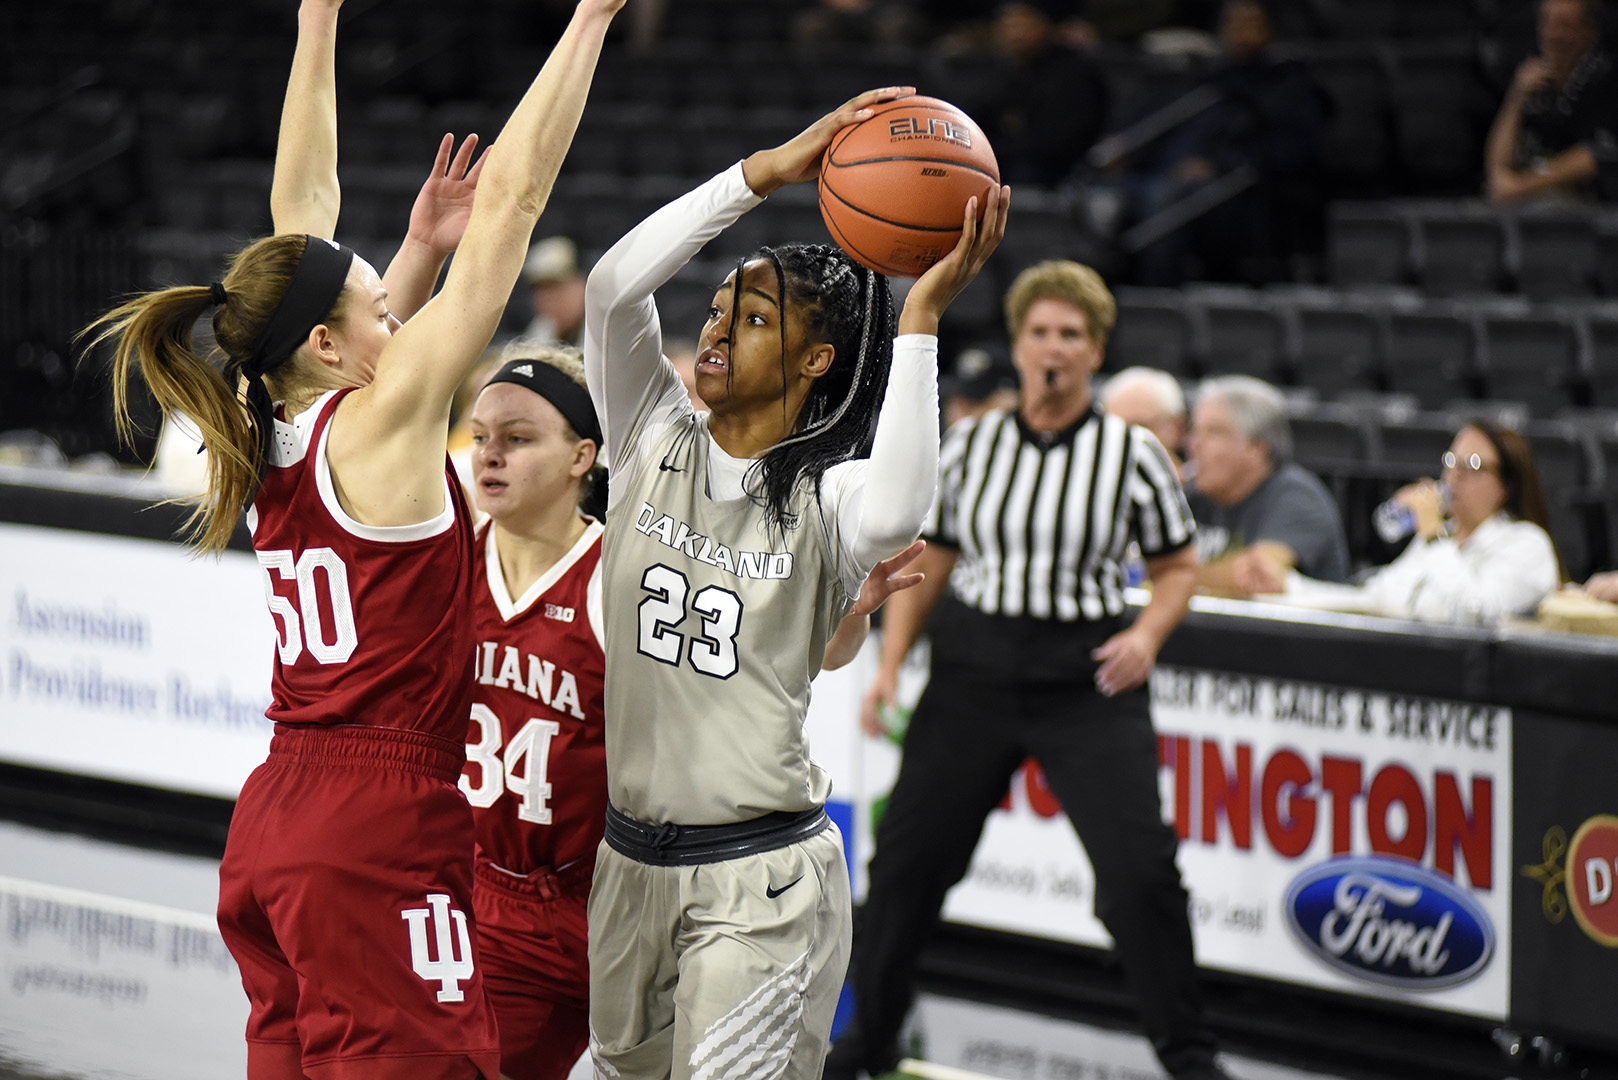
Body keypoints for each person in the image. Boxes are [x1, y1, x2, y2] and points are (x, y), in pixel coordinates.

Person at [81, 0, 624, 1075]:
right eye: (384, 306)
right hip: (379, 819)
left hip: (278, 815)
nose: (403, 318)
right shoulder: (379, 420)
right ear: (329, 346)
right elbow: (513, 200)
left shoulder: (261, 425)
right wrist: (591, 20)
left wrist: (316, 26)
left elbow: (302, 212)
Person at [582, 86, 1009, 1080]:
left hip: (756, 877)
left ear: (816, 359)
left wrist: (922, 316)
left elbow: (904, 506)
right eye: (719, 308)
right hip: (627, 863)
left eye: (754, 317)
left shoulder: (830, 495)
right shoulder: (650, 431)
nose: (718, 328)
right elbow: (611, 289)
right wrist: (761, 174)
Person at [828, 261, 1230, 1080]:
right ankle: (864, 1049)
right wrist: (889, 664)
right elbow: (930, 561)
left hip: (1083, 676)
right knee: (905, 866)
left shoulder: (1132, 453)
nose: (1054, 347)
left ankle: (1191, 1061)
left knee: (1139, 877)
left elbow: (1179, 565)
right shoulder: (974, 445)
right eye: (1040, 332)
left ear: (1096, 351)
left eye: (1071, 335)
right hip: (974, 667)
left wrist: (1148, 635)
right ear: (1016, 345)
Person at [459, 351, 608, 1080]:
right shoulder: (447, 556)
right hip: (469, 886)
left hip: (592, 905)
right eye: (481, 434)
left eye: (518, 438)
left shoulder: (620, 575)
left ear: (583, 455)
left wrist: (839, 624)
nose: (490, 453)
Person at [1249, 422, 1564, 625]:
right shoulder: (1445, 537)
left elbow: (1475, 613)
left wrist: (1433, 537)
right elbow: (1376, 599)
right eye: (1451, 462)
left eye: (1473, 466)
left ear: (1507, 484)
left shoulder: (1526, 543)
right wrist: (1289, 586)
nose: (1453, 478)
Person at [1118, 0, 1327, 285]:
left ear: (1272, 29)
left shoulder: (1288, 85)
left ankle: (1153, 296)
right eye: (1231, 22)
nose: (1238, 30)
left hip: (1238, 198)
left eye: (1249, 22)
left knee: (1166, 196)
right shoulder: (1211, 78)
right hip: (1170, 180)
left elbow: (1286, 151)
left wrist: (1217, 165)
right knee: (1101, 195)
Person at [1185, 374, 1349, 594]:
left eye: (1214, 432)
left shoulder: (1297, 496)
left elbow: (1255, 573)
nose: (1194, 445)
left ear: (1257, 448)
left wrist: (1170, 576)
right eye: (1194, 431)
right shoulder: (1192, 496)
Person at [934, 0, 1108, 187]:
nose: (1014, 33)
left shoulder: (1075, 73)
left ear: (1047, 25)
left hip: (1061, 171)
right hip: (1011, 159)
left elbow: (1056, 142)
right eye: (1007, 24)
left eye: (1022, 24)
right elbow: (979, 113)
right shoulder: (1006, 71)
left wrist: (994, 150)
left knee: (1023, 170)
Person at [1485, 0, 1618, 204]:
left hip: (1591, 207)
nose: (1553, 35)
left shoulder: (1606, 79)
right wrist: (1515, 99)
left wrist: (1520, 186)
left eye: (1565, 25)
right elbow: (1497, 167)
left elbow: (1594, 156)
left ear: (1590, 31)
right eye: (1547, 24)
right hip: (1530, 198)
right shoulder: (1536, 82)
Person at [1100, 363, 1188, 472]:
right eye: (1113, 429)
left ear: (1177, 426)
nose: (1124, 441)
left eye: (1138, 427)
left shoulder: (1205, 484)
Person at [515, 234, 588, 348]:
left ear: (580, 284)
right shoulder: (541, 329)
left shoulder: (601, 327)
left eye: (555, 287)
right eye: (540, 290)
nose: (548, 299)